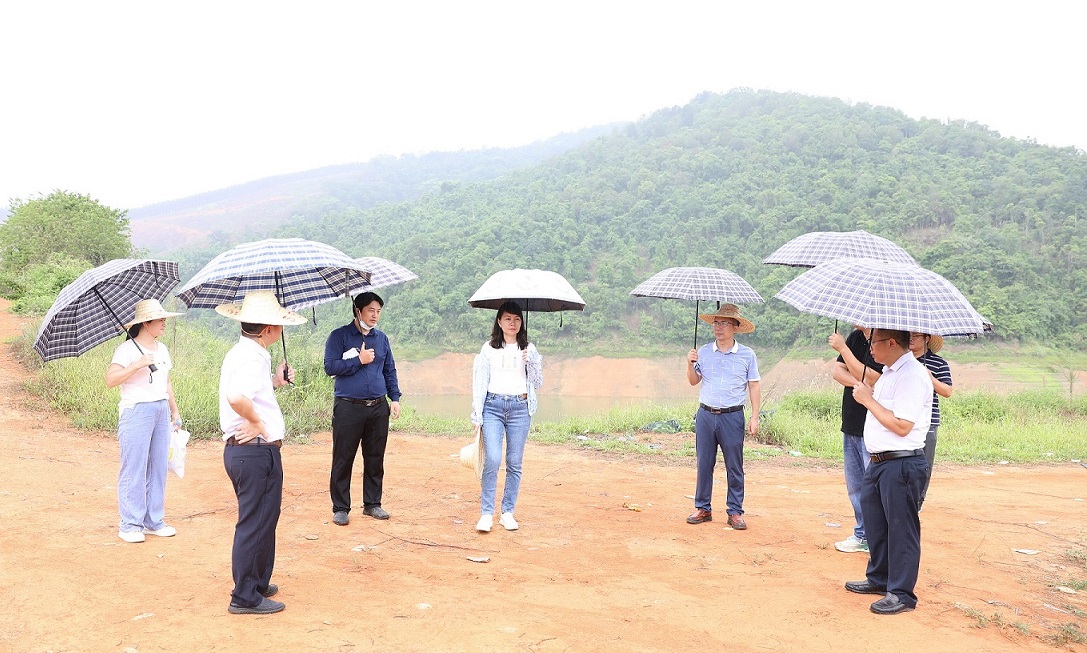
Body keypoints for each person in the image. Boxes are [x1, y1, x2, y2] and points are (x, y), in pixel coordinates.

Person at [216, 290, 305, 615]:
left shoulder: (248, 354)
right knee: (255, 522)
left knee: (264, 518)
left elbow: (250, 390)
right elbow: (238, 397)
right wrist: (257, 422)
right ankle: (245, 596)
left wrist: (274, 383)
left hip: (251, 452)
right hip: (253, 451)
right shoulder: (251, 356)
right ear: (268, 329)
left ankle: (256, 581)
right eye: (279, 323)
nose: (282, 328)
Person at [846, 328, 933, 615]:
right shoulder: (890, 372)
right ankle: (880, 577)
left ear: (892, 343)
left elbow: (902, 425)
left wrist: (867, 400)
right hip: (880, 461)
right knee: (876, 524)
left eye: (874, 342)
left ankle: (901, 593)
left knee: (901, 529)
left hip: (902, 463)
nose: (869, 347)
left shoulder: (912, 376)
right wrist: (871, 396)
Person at [105, 299, 183, 544]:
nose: (163, 324)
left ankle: (153, 520)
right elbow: (111, 379)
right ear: (146, 323)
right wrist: (137, 364)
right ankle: (129, 524)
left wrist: (175, 412)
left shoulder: (162, 350)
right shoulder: (126, 350)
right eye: (160, 320)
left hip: (160, 409)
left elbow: (166, 383)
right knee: (134, 467)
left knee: (159, 466)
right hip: (136, 410)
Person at [324, 291, 402, 526]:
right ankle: (340, 507)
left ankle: (372, 504)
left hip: (378, 407)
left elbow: (389, 370)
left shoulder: (382, 338)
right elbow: (330, 366)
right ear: (358, 311)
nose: (375, 315)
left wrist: (395, 397)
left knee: (375, 457)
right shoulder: (339, 336)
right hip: (348, 407)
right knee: (343, 457)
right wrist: (359, 360)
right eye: (371, 310)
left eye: (378, 311)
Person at [684, 304, 761, 530]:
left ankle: (735, 511)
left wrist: (755, 416)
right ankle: (703, 508)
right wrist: (689, 364)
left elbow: (754, 386)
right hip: (706, 415)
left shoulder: (747, 355)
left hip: (732, 416)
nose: (718, 328)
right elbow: (693, 381)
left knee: (734, 466)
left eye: (724, 323)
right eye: (716, 323)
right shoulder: (704, 352)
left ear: (735, 327)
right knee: (704, 463)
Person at [470, 301, 543, 532]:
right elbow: (479, 382)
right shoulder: (488, 349)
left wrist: (530, 362)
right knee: (492, 459)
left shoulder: (528, 349)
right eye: (508, 319)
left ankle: (507, 512)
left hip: (520, 407)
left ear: (522, 323)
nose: (513, 323)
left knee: (514, 462)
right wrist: (477, 414)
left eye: (517, 319)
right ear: (499, 322)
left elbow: (538, 382)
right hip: (492, 406)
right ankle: (486, 513)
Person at [828, 327, 884, 554]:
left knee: (873, 486)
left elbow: (874, 377)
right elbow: (837, 371)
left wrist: (843, 349)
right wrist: (858, 382)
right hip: (851, 420)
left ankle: (878, 537)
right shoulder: (855, 336)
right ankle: (862, 534)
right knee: (855, 486)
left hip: (874, 424)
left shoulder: (884, 339)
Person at [909, 332, 953, 508]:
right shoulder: (901, 360)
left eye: (916, 336)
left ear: (927, 339)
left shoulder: (939, 363)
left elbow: (947, 391)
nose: (911, 338)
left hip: (928, 421)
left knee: (924, 464)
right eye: (909, 335)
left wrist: (930, 378)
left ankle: (917, 503)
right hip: (902, 419)